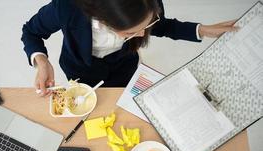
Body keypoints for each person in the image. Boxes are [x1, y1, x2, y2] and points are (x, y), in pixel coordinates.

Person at [21, 0, 236, 96]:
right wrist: (42, 61)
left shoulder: (147, 3)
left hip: (124, 69)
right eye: (130, 33)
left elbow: (161, 25)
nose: (143, 35)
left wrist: (202, 30)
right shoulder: (66, 7)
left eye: (145, 27)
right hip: (79, 72)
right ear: (104, 20)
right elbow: (31, 31)